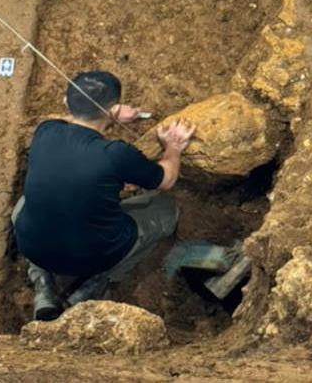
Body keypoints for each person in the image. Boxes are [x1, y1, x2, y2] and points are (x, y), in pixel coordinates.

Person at [12, 71, 196, 321]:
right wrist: (173, 147)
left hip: (34, 248)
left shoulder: (45, 131)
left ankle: (43, 286)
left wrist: (109, 113)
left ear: (66, 102)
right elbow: (166, 180)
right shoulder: (115, 153)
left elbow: (65, 120)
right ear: (113, 109)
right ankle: (93, 285)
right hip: (94, 256)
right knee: (165, 210)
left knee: (23, 205)